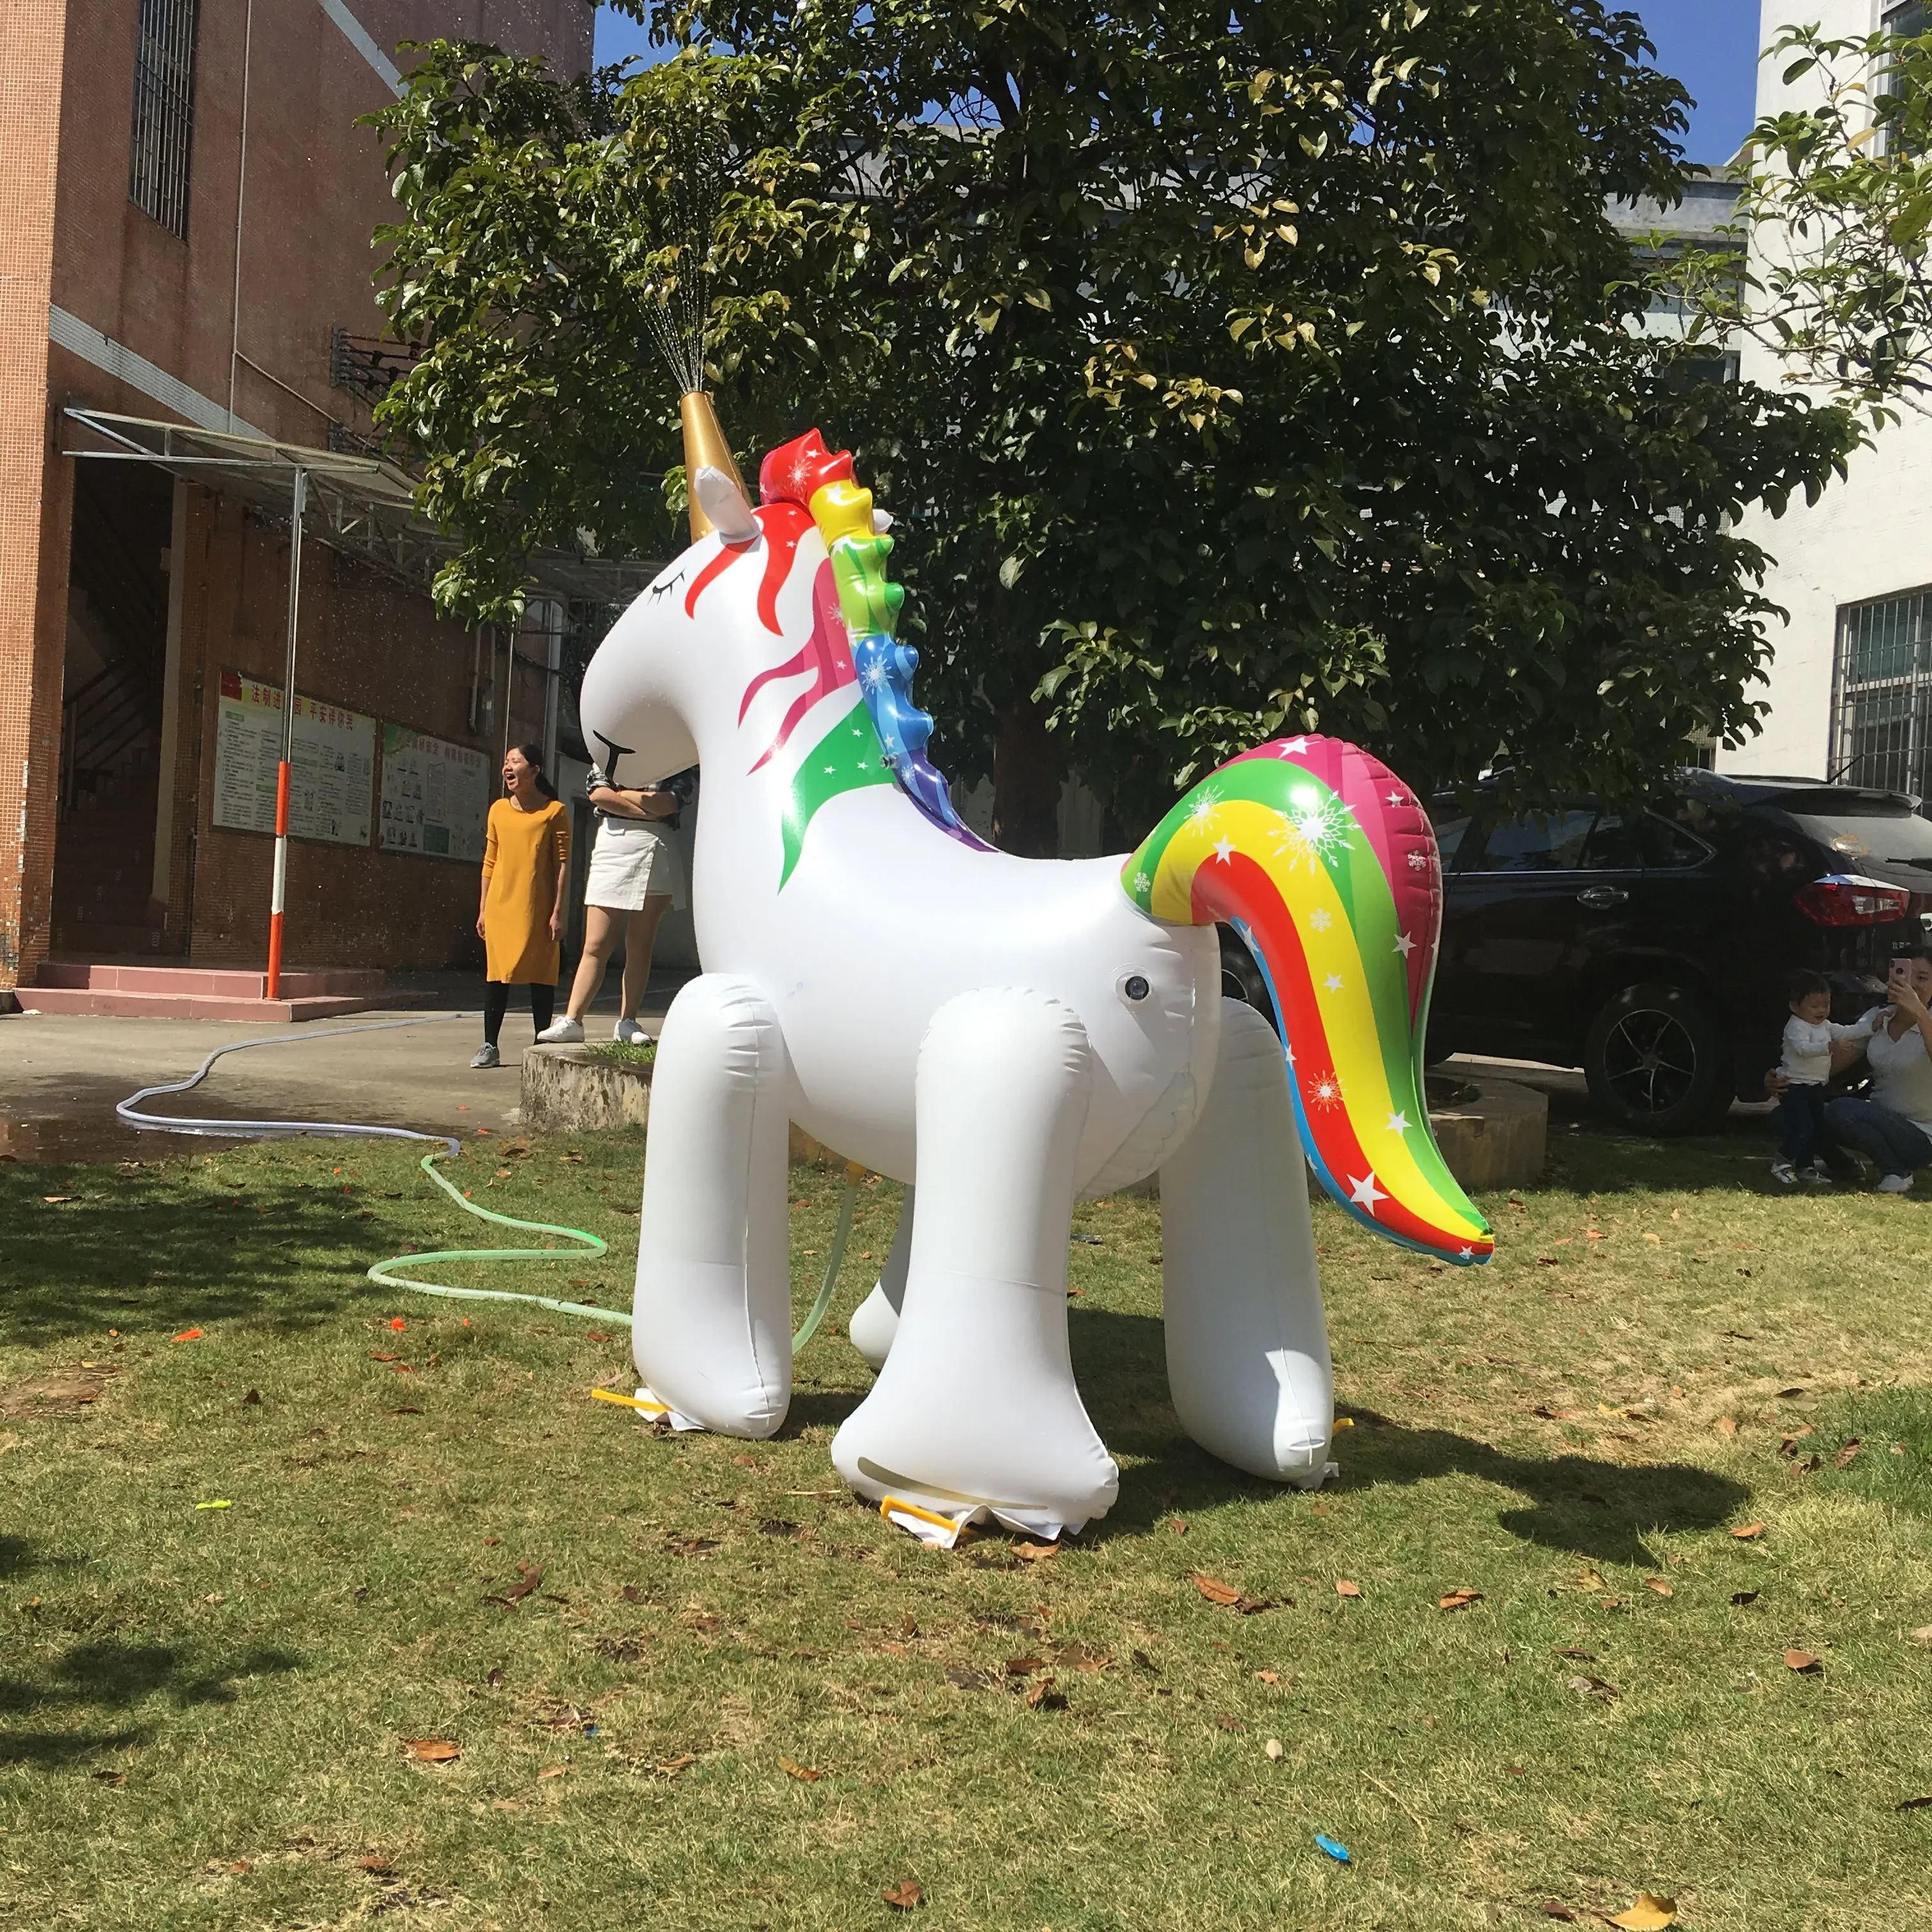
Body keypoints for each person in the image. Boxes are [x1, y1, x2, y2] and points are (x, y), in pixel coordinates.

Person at [535, 763, 694, 1045]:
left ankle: (628, 1021)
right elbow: (598, 794)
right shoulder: (612, 749)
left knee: (641, 943)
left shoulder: (676, 756)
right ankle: (573, 1019)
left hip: (656, 845)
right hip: (613, 844)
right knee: (596, 943)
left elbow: (669, 802)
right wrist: (647, 809)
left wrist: (623, 793)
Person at [472, 744, 570, 1070]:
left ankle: (541, 1045)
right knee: (496, 977)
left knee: (541, 976)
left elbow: (562, 865)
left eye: (516, 762)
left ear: (535, 770)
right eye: (506, 762)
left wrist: (557, 911)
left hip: (538, 908)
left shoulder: (554, 811)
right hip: (501, 905)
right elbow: (490, 861)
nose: (508, 768)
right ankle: (490, 1045)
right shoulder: (498, 810)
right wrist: (484, 909)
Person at [1818, 949, 1932, 1192]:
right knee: (1792, 1111)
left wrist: (1919, 1012)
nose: (1911, 985)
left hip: (1922, 1135)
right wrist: (1785, 1078)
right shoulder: (1878, 1018)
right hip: (1878, 1120)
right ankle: (1843, 1166)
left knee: (1843, 1109)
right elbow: (1832, 1064)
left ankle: (1897, 1173)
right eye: (1905, 975)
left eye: (1921, 978)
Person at [1769, 968, 1880, 1185]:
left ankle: (1806, 1168)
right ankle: (1782, 1162)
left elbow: (1847, 1031)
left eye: (1826, 1004)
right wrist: (1829, 1046)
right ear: (1794, 1006)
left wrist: (1871, 1028)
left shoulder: (1825, 1026)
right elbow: (1803, 1049)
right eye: (1815, 1006)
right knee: (1802, 1128)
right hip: (1796, 1087)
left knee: (1815, 1128)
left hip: (1815, 1087)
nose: (1822, 1010)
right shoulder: (1796, 1027)